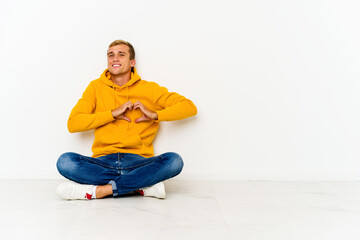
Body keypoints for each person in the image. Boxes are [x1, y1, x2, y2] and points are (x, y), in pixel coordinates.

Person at [56, 40, 197, 200]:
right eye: (111, 55)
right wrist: (112, 114)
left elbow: (189, 107)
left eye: (121, 55)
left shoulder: (149, 89)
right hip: (103, 163)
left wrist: (155, 115)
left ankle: (100, 191)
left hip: (138, 163)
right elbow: (73, 123)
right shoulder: (95, 88)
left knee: (174, 161)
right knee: (65, 161)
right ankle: (140, 186)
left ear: (132, 62)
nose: (115, 58)